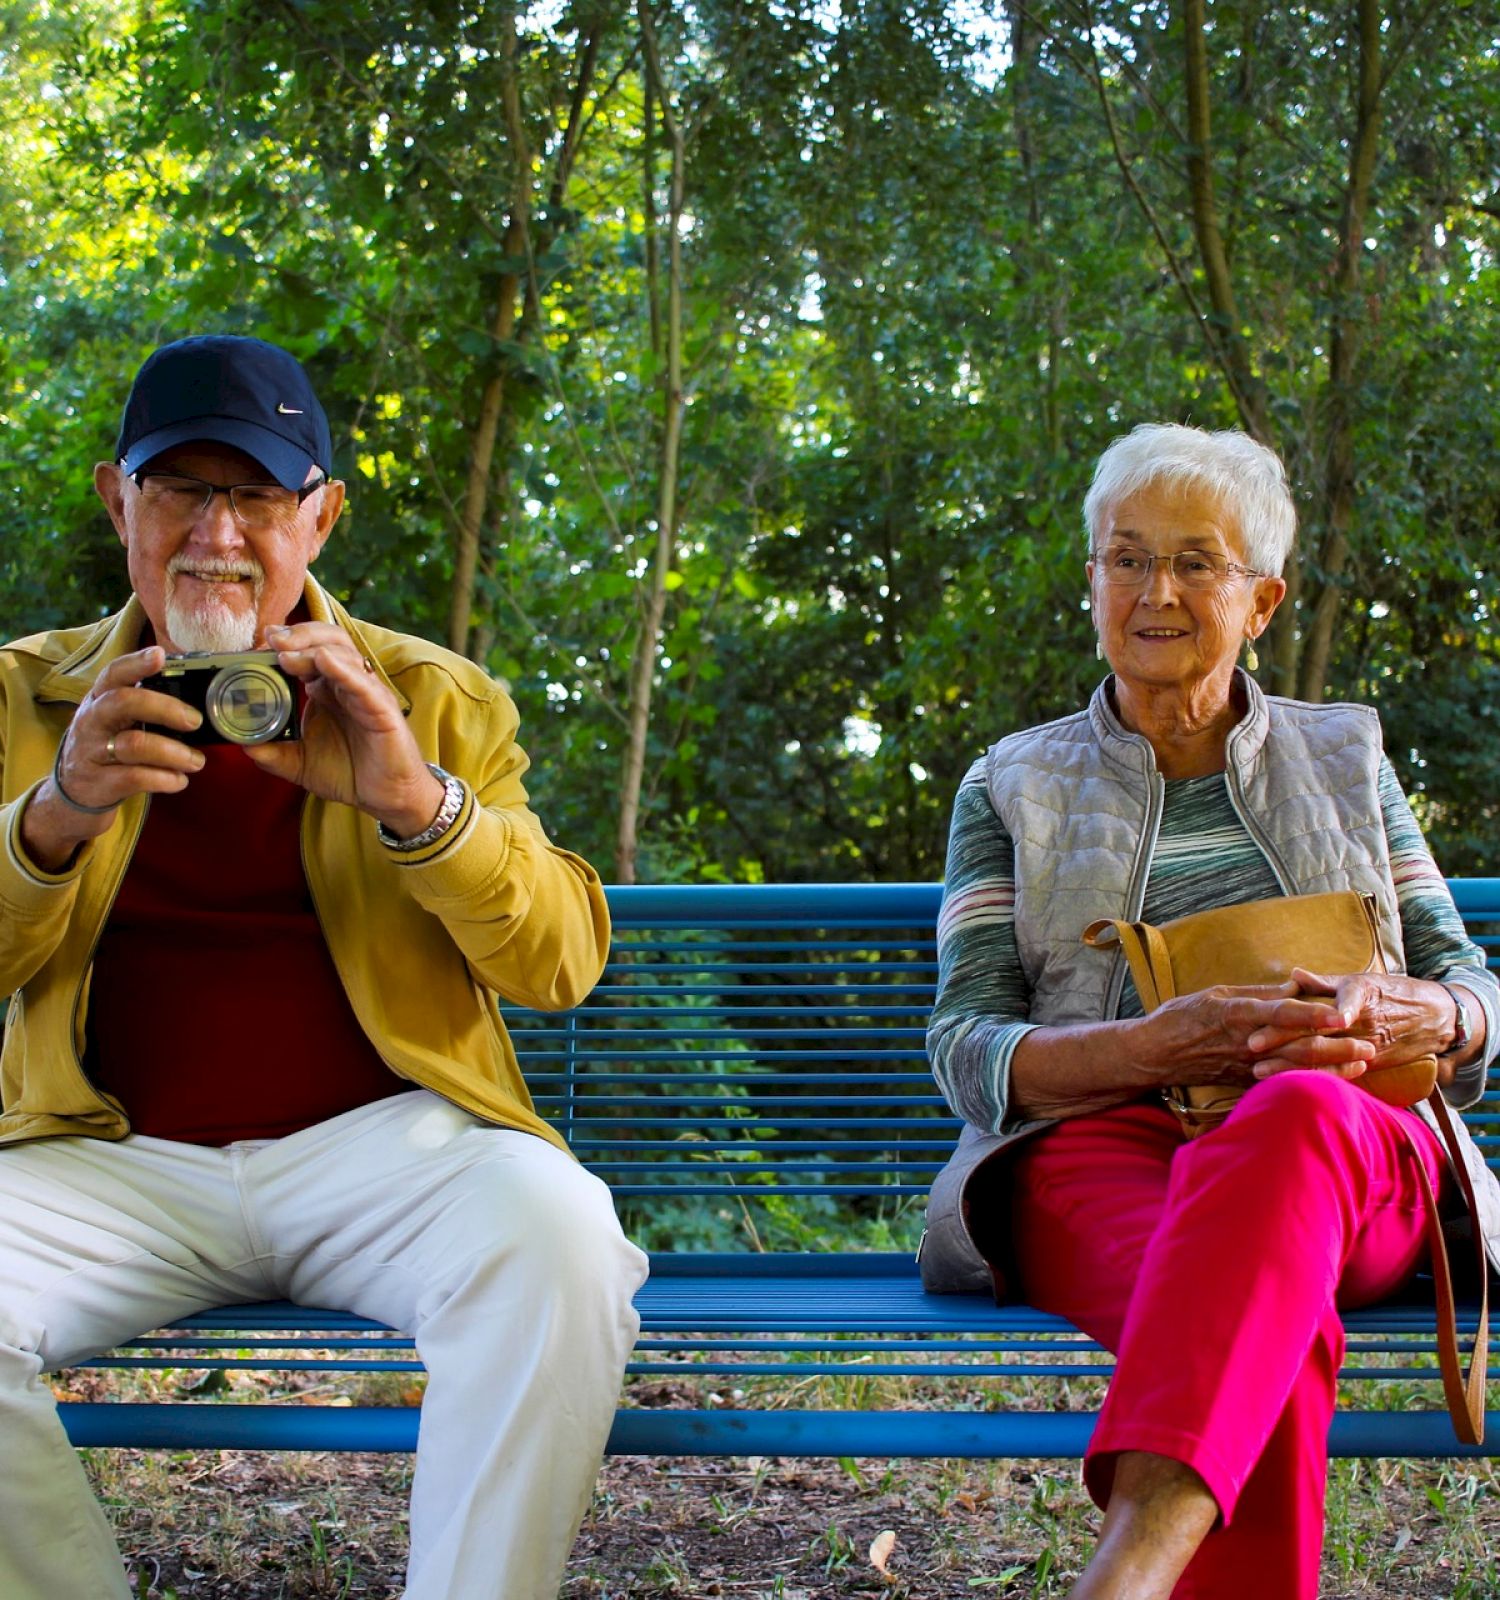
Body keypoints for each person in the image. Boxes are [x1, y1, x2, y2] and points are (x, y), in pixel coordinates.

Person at [0, 333, 648, 1600]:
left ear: (322, 515)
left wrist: (419, 804)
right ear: (117, 500)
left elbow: (562, 961)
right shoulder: (25, 695)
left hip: (385, 1154)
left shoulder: (428, 694)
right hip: (112, 1156)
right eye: (180, 488)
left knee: (562, 1236)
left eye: (255, 494)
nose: (217, 533)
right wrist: (53, 814)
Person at [920, 423, 1499, 1600]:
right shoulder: (1011, 783)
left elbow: (1474, 982)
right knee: (1249, 1325)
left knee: (1291, 1121)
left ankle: (1123, 1577)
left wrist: (1412, 1011)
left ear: (1264, 598)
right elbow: (966, 1042)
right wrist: (1145, 1046)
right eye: (1125, 557)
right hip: (1099, 1144)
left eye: (1196, 562)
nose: (1155, 591)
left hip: (1346, 1145)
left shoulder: (1348, 757)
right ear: (1091, 581)